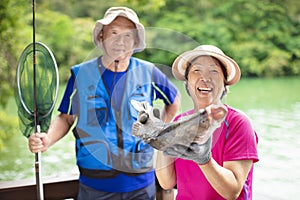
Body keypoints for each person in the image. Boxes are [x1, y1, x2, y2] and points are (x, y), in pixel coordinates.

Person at [28, 6, 180, 200]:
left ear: (135, 42)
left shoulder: (149, 72)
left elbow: (174, 100)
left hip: (141, 183)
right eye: (114, 33)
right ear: (101, 37)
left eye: (127, 36)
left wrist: (157, 130)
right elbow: (66, 118)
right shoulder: (81, 74)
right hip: (95, 186)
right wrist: (46, 140)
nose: (120, 42)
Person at [155, 45, 259, 200]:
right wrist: (160, 140)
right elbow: (167, 182)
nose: (205, 78)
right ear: (188, 81)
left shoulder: (238, 122)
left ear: (225, 83)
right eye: (197, 70)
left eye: (214, 71)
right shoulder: (179, 122)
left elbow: (232, 191)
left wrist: (204, 159)